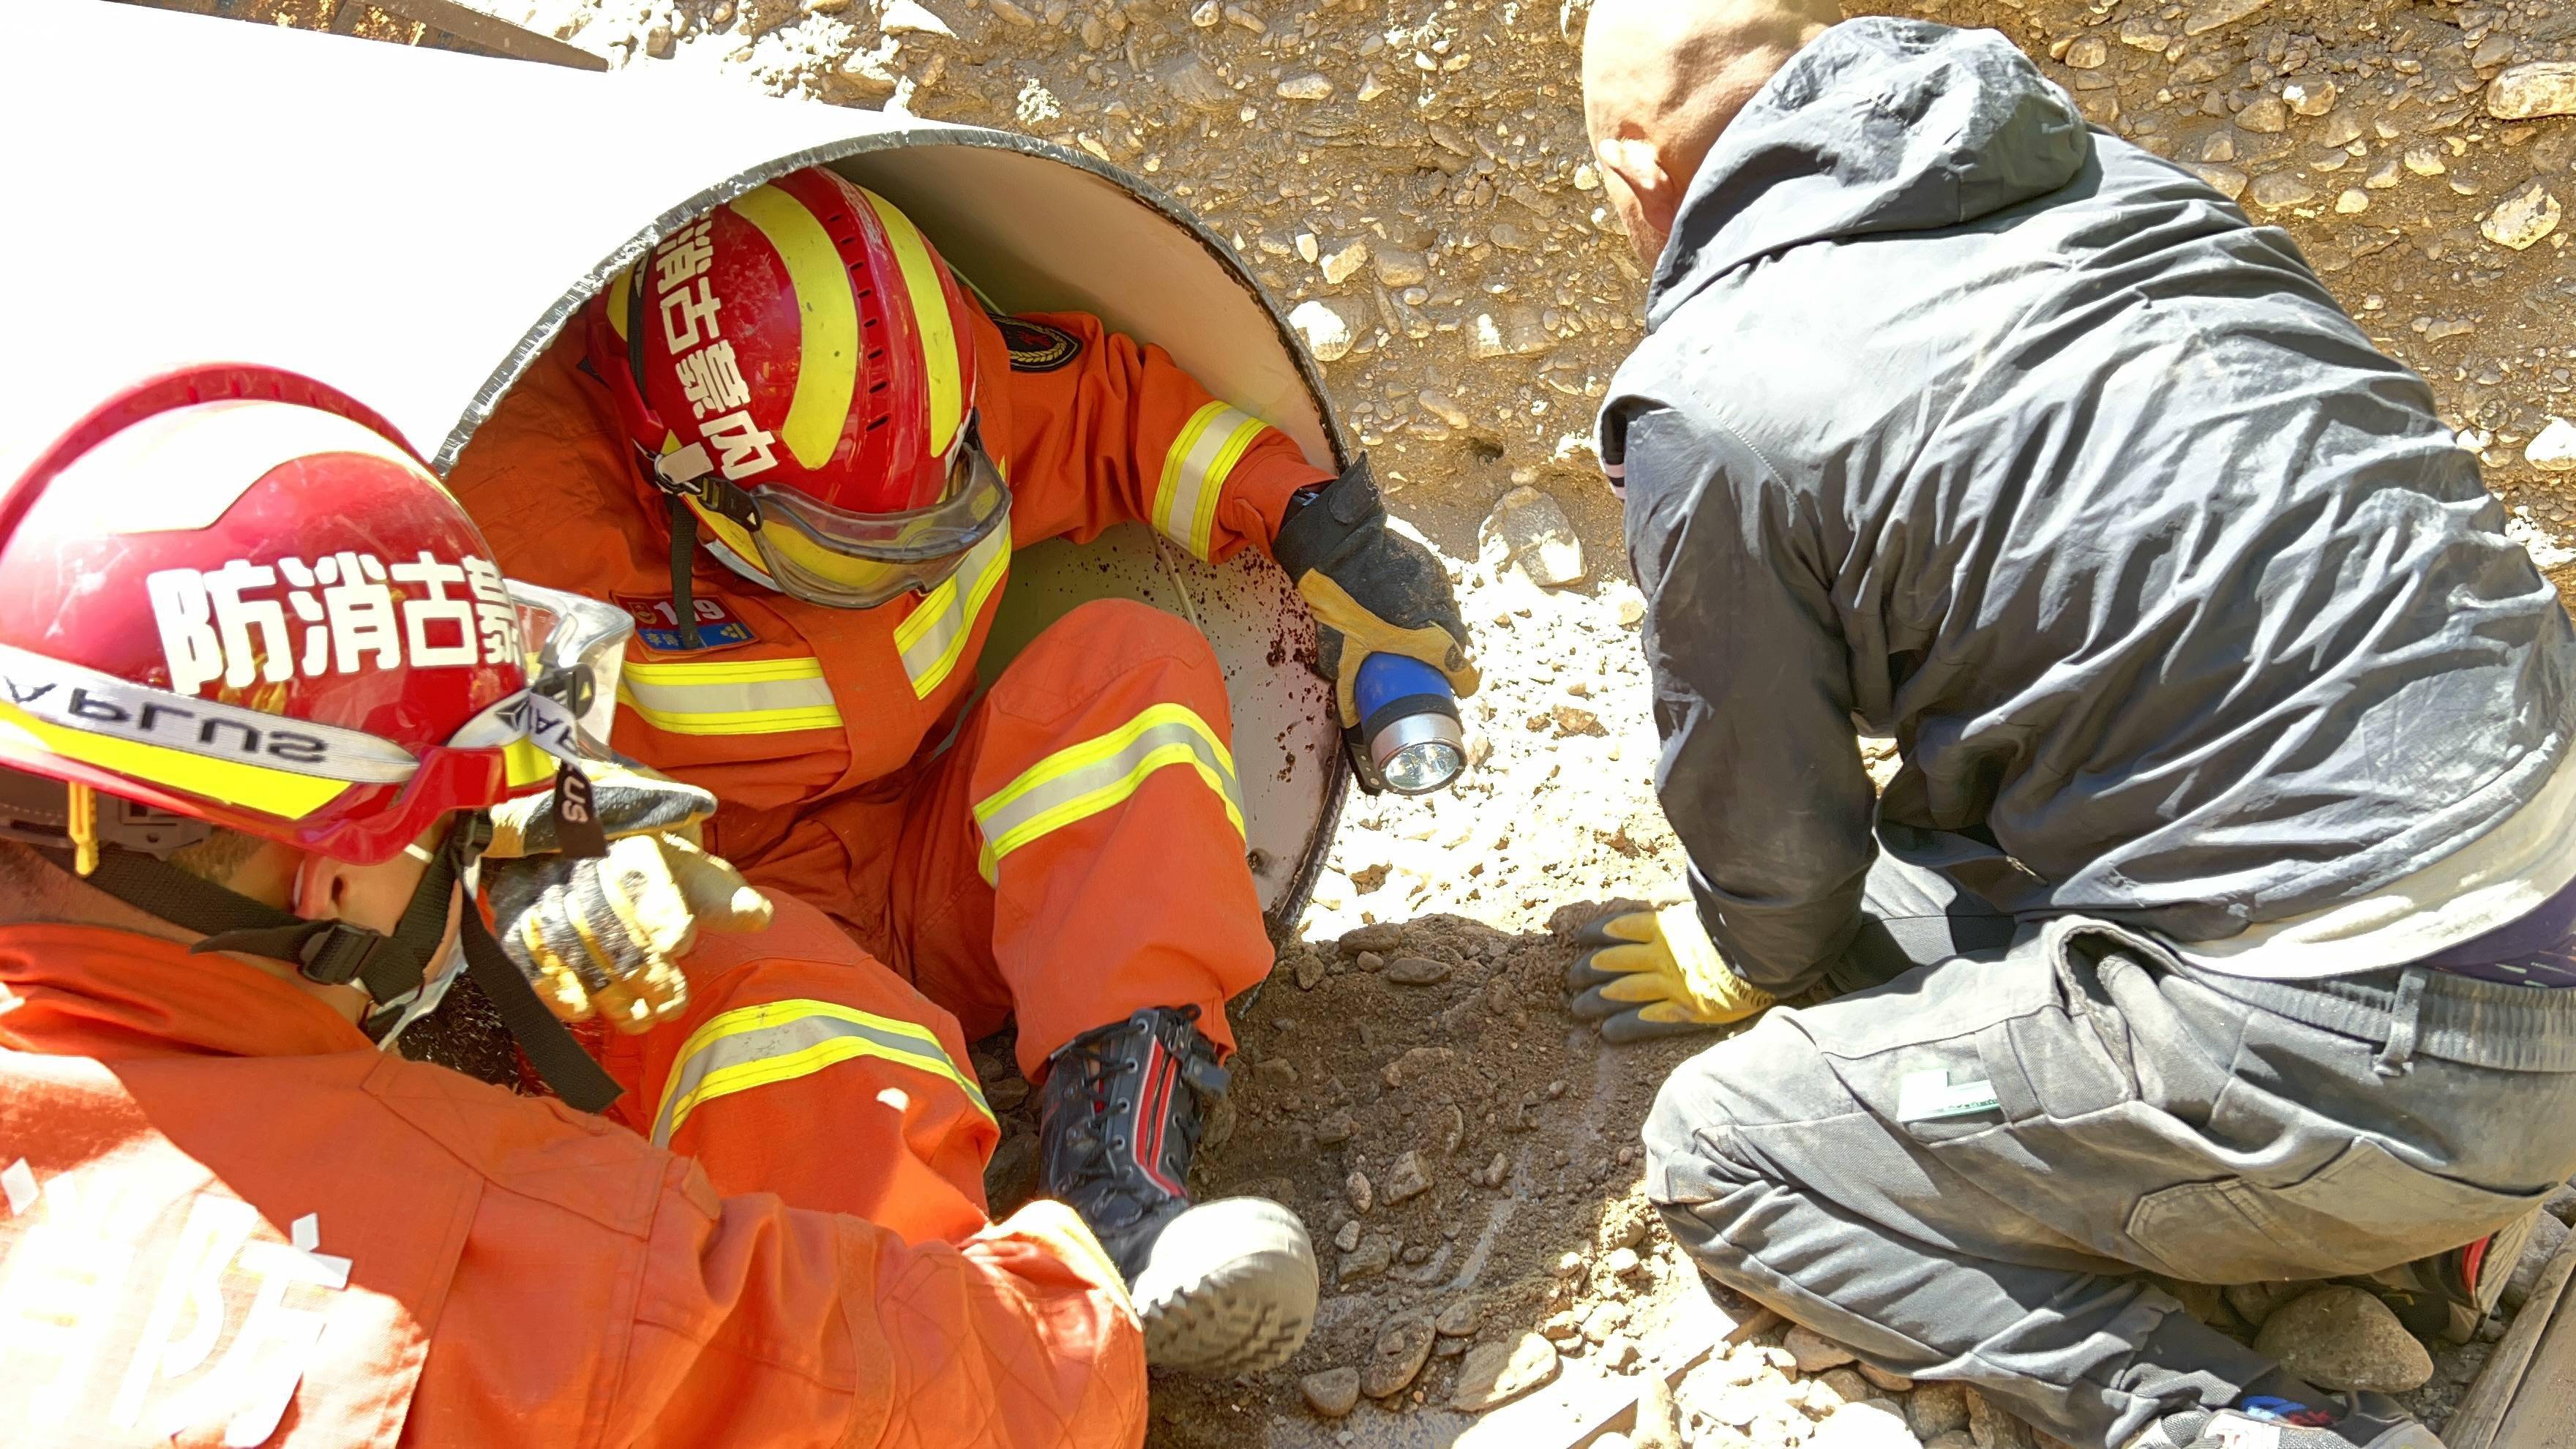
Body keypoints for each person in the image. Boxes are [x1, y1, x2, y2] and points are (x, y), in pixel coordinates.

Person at [1573, 4, 2576, 1448]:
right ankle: (2418, 1233)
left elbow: (1779, 856)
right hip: (2542, 885)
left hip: (2367, 1048)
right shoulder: (2132, 191)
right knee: (1922, 884)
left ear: (1631, 167)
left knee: (1734, 1143)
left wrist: (1754, 947)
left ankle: (2229, 1418)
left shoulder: (1713, 389)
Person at [441, 165, 1477, 1371]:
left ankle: (1120, 1203)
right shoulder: (512, 525)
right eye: (856, 545)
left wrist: (1315, 526)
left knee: (1129, 669)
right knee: (806, 1032)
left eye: (946, 507)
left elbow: (1120, 417)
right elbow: (442, 762)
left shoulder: (919, 399)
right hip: (710, 931)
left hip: (918, 859)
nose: (915, 551)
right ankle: (959, 1342)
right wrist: (547, 843)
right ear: (685, 484)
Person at [0, 366, 1146, 1446]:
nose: (480, 850)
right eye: (463, 827)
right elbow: (1031, 1386)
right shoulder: (528, 1259)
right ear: (334, 883)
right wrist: (1093, 1271)